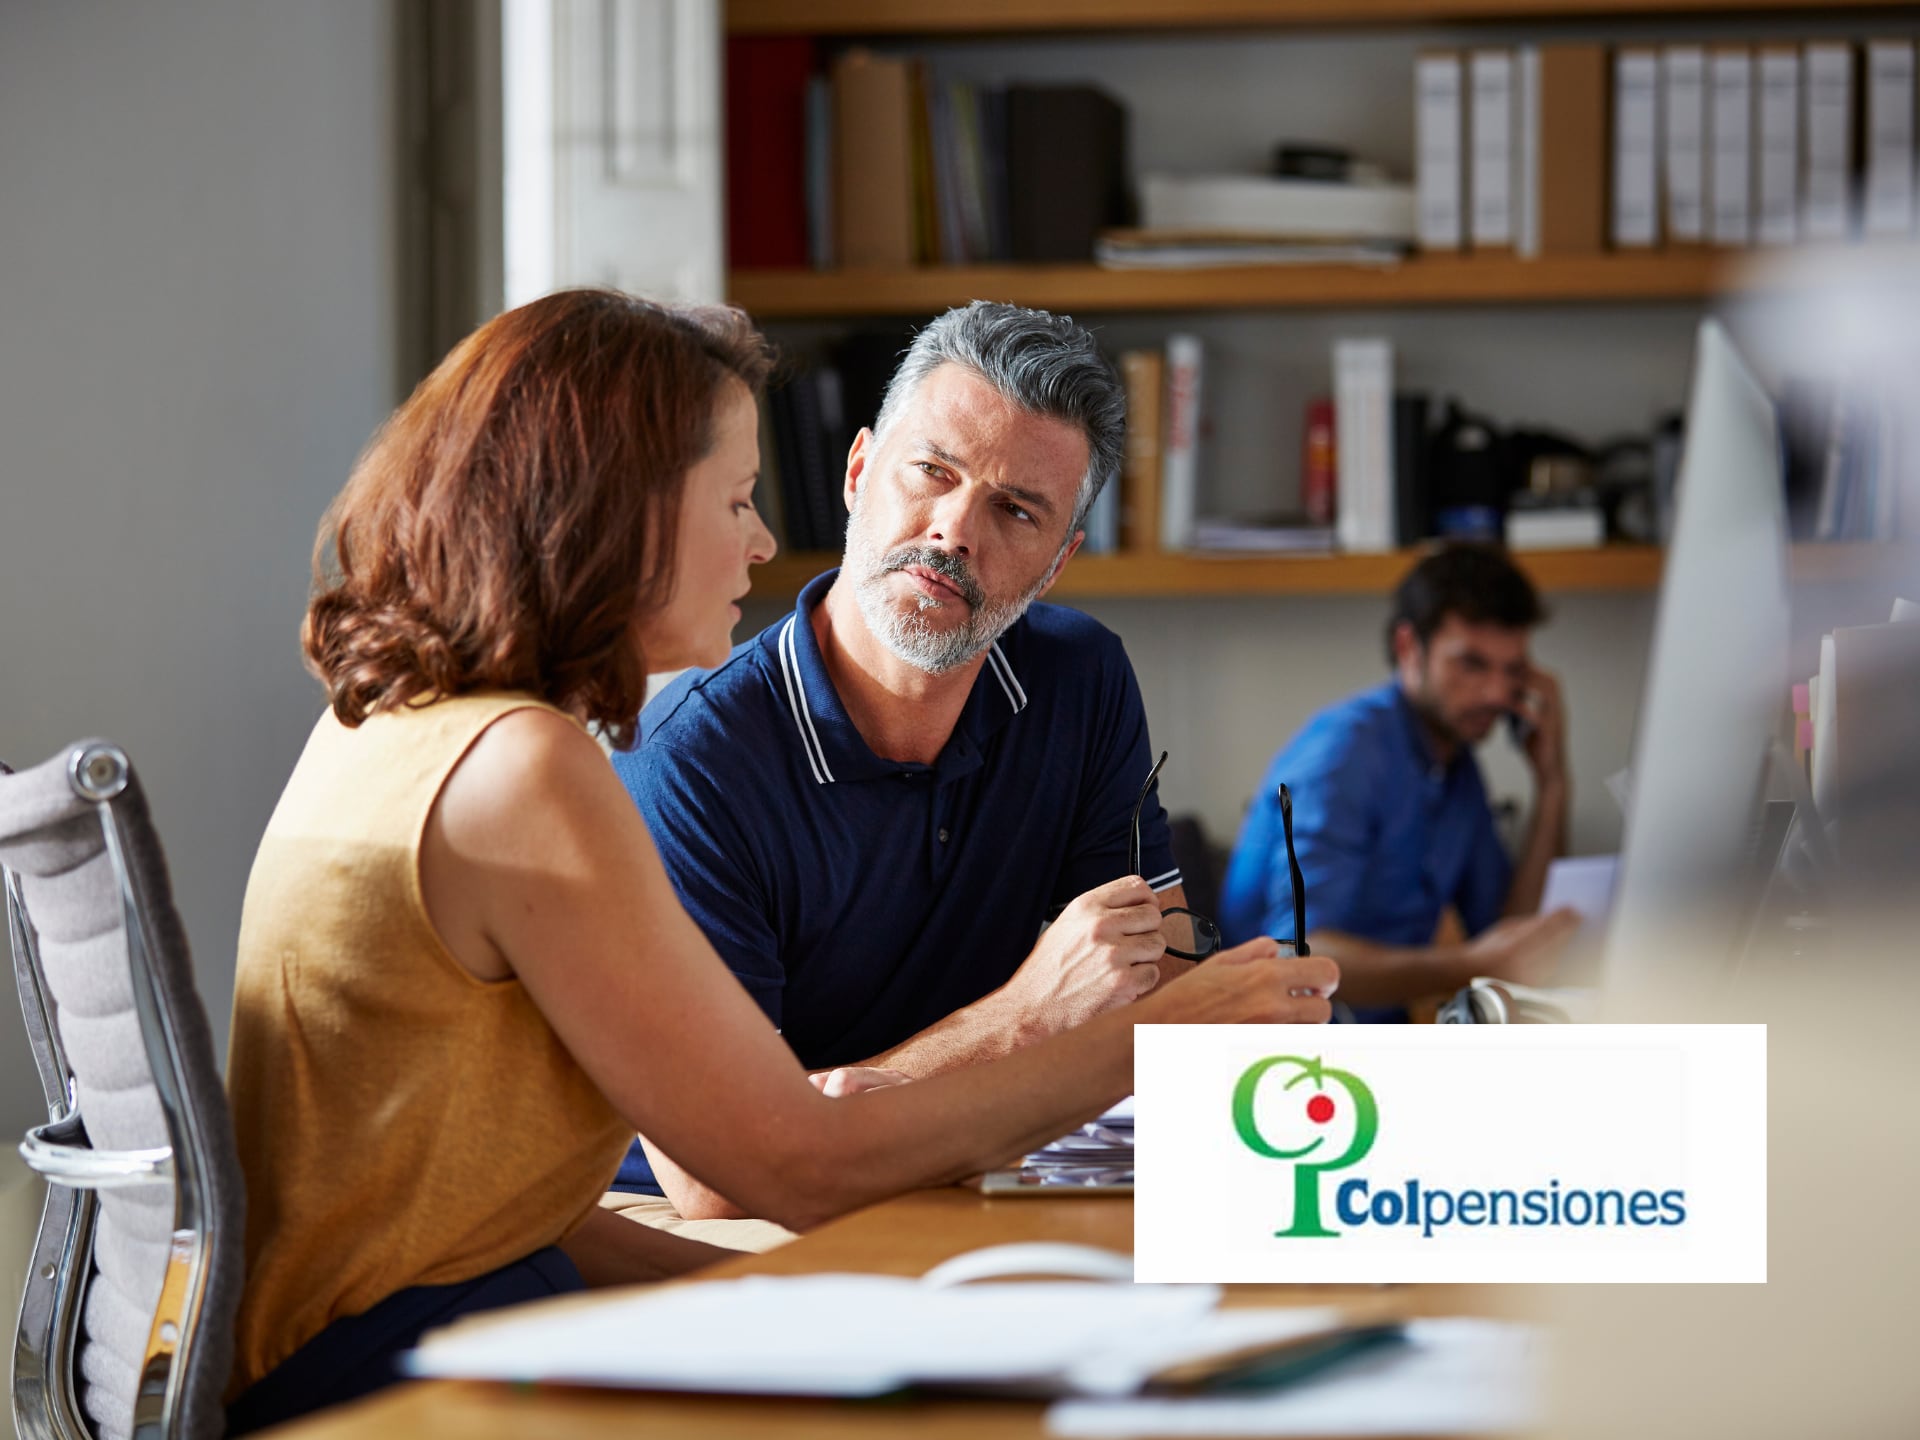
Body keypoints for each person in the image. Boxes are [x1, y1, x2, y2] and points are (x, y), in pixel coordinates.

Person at [222, 289, 1335, 1433]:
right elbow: (789, 1167)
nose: (760, 541)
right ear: (620, 512)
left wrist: (830, 1301)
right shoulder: (526, 771)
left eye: (1013, 509)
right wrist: (1149, 1040)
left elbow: (489, 1208)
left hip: (400, 1328)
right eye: (738, 499)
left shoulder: (397, 728)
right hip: (380, 1385)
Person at [608, 300, 1312, 1229]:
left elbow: (1161, 978)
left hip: (983, 1179)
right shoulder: (691, 763)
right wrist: (1023, 1018)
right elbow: (721, 1178)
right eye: (931, 472)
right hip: (747, 1234)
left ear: (1058, 561)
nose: (953, 531)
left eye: (1015, 510)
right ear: (859, 473)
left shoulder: (1080, 678)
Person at [1219, 543, 1580, 1022]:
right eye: (1471, 663)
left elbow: (1509, 934)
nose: (1496, 694)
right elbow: (1298, 955)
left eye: (1512, 671)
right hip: (1275, 1053)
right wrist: (1470, 965)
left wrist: (1552, 781)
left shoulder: (1457, 766)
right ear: (1409, 648)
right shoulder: (1344, 755)